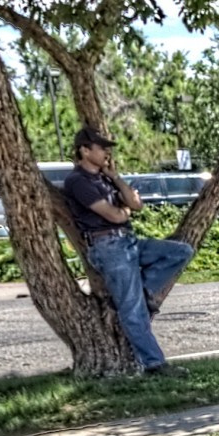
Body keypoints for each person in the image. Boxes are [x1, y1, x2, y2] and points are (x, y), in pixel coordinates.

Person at [61, 127, 194, 376]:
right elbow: (113, 214)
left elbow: (136, 205)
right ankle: (155, 364)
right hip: (108, 247)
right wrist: (124, 213)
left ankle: (143, 291)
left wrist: (116, 178)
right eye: (101, 148)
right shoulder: (78, 181)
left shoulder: (105, 177)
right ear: (84, 150)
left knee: (181, 252)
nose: (106, 152)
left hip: (128, 242)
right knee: (132, 312)